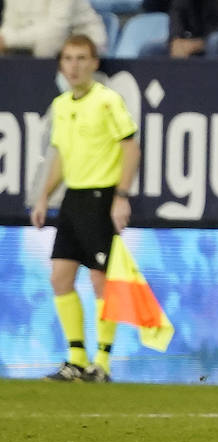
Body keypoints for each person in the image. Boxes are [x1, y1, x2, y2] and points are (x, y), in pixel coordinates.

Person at [29, 34, 140, 383]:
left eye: (81, 59)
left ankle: (102, 362)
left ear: (94, 63)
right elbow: (60, 155)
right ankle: (76, 358)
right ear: (61, 64)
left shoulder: (108, 101)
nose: (74, 66)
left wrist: (121, 196)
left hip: (100, 197)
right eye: (68, 59)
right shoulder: (62, 105)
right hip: (73, 198)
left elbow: (130, 148)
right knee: (60, 277)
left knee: (100, 280)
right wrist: (45, 195)